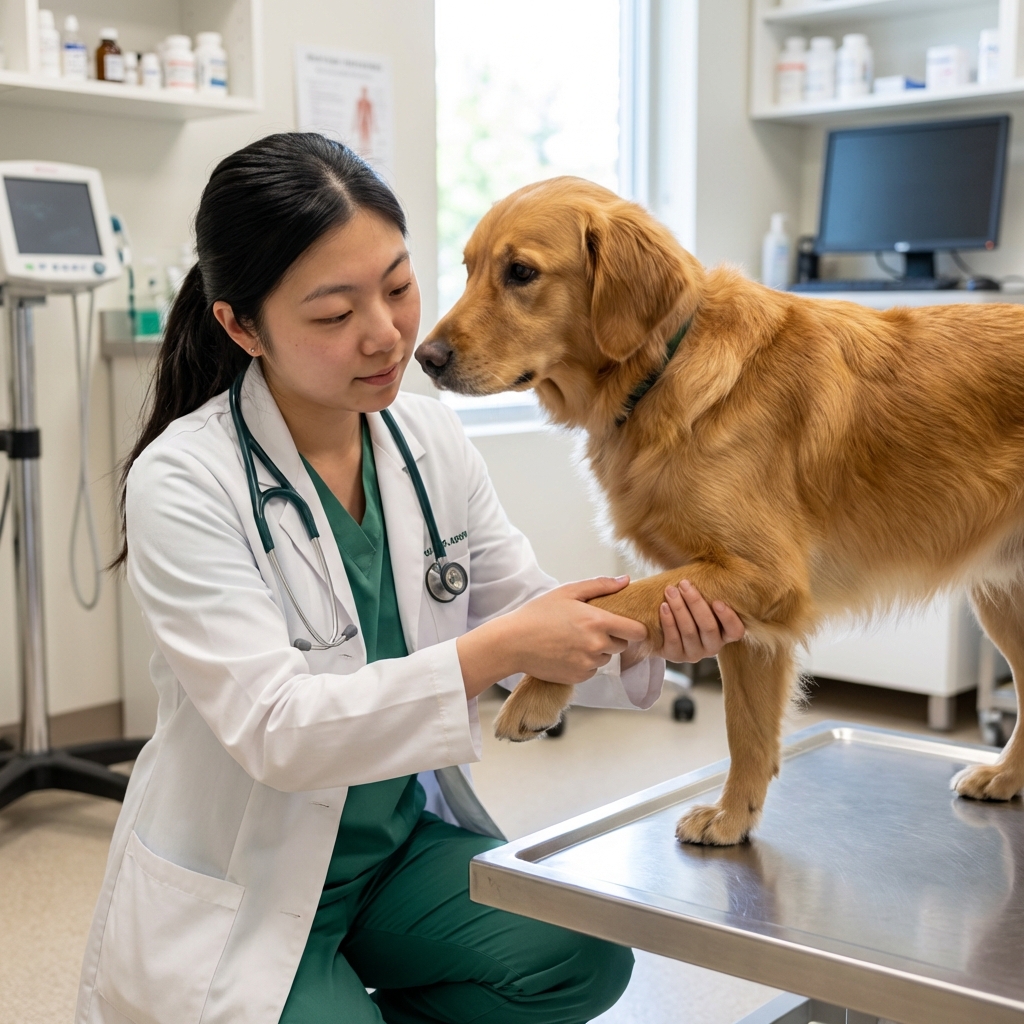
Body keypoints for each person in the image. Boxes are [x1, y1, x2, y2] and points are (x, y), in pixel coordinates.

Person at [76, 133, 745, 1024]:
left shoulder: (426, 439)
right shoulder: (184, 481)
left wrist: (660, 625)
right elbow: (276, 730)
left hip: (390, 853)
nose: (390, 334)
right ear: (242, 326)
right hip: (245, 880)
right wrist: (489, 655)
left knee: (577, 953)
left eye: (396, 286)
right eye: (332, 313)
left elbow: (526, 608)